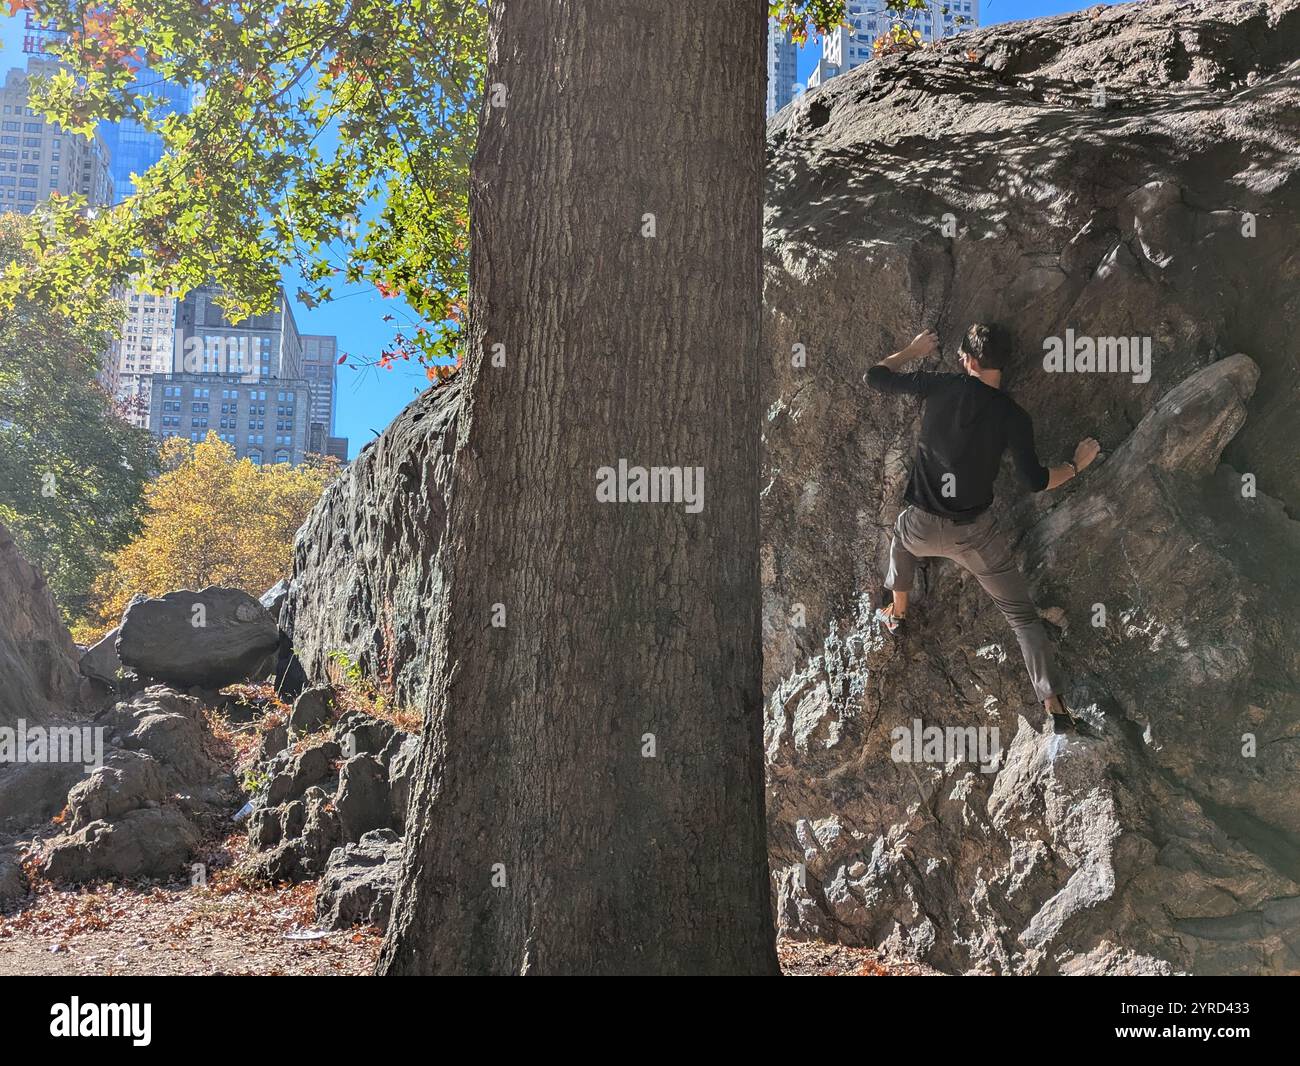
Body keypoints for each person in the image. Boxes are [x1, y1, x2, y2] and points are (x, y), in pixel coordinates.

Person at [865, 324, 1100, 727]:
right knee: (1022, 617)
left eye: (962, 356)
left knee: (900, 537)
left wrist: (912, 350)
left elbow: (875, 377)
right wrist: (1077, 465)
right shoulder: (1013, 415)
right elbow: (1037, 481)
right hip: (975, 536)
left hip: (921, 528)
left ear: (969, 360)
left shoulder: (939, 386)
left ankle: (898, 611)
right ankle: (1054, 706)